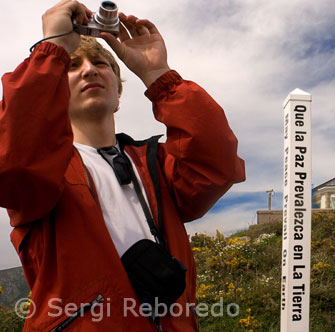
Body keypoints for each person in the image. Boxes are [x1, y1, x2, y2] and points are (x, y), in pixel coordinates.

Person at [0, 0, 245, 331]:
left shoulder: (156, 163)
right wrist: (51, 49)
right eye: (72, 66)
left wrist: (158, 74)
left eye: (101, 63)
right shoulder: (43, 170)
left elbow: (218, 165)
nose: (89, 70)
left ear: (118, 94)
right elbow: (12, 160)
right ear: (56, 89)